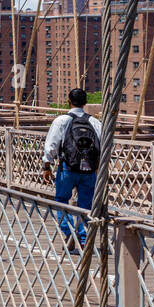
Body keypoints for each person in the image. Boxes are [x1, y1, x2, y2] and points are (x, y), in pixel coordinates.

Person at [42, 88, 103, 251]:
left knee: (62, 200)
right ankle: (84, 239)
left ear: (69, 101)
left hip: (67, 168)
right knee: (86, 205)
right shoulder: (95, 122)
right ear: (85, 103)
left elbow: (51, 146)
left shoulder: (62, 120)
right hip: (89, 170)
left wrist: (46, 165)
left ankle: (69, 232)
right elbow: (104, 146)